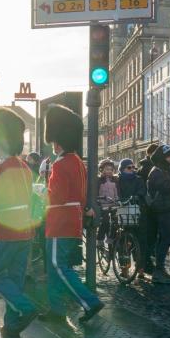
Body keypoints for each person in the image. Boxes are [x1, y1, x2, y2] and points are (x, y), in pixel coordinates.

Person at [42, 105, 104, 322]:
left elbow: (56, 196)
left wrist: (41, 192)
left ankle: (89, 301)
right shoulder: (76, 161)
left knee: (59, 266)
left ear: (57, 140)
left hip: (59, 222)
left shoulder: (60, 164)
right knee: (54, 267)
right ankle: (57, 309)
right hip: (71, 220)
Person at [0, 108, 39, 338]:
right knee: (14, 279)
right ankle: (11, 325)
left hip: (4, 232)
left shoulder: (3, 167)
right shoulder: (24, 166)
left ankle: (25, 307)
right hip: (24, 232)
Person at [146, 144, 170, 284]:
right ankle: (158, 271)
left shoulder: (162, 169)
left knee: (166, 240)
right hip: (163, 210)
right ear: (162, 158)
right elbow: (169, 187)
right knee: (165, 241)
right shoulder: (157, 172)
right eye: (168, 156)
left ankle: (161, 269)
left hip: (167, 208)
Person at [137, 143, 159, 271]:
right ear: (150, 153)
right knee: (148, 235)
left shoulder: (151, 166)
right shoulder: (146, 168)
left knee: (152, 235)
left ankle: (146, 260)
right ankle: (145, 262)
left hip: (152, 205)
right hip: (147, 206)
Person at [96, 159, 118, 242]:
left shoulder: (115, 180)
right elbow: (96, 192)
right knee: (105, 222)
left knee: (115, 221)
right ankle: (100, 239)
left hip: (113, 204)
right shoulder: (99, 180)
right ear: (102, 170)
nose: (109, 171)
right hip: (103, 204)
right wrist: (98, 199)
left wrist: (117, 199)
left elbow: (117, 191)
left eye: (111, 169)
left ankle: (111, 237)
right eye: (107, 169)